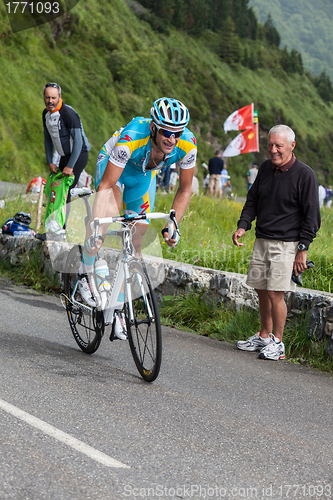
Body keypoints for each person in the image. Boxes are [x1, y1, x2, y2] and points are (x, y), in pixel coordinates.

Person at [78, 97, 197, 334]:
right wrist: (97, 227)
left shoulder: (187, 145)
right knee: (108, 216)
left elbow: (185, 189)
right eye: (166, 132)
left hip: (143, 178)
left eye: (177, 133)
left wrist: (173, 225)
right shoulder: (131, 138)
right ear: (153, 127)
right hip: (114, 169)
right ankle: (84, 271)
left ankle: (118, 307)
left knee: (136, 240)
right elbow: (106, 185)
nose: (172, 139)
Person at [232, 124, 321, 361]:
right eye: (270, 145)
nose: (273, 150)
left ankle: (278, 343)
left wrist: (302, 249)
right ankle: (264, 336)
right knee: (261, 289)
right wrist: (243, 225)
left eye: (278, 146)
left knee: (275, 292)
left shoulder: (305, 175)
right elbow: (252, 200)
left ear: (292, 146)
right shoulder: (265, 168)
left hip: (287, 244)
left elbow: (312, 216)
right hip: (262, 239)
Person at [42, 82, 91, 228]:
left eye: (53, 98)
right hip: (64, 156)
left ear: (59, 97)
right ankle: (53, 227)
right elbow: (47, 138)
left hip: (79, 154)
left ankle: (61, 229)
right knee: (55, 189)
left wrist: (70, 166)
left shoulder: (68, 114)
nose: (50, 101)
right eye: (47, 97)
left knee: (65, 192)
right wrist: (50, 161)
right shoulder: (45, 114)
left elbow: (78, 142)